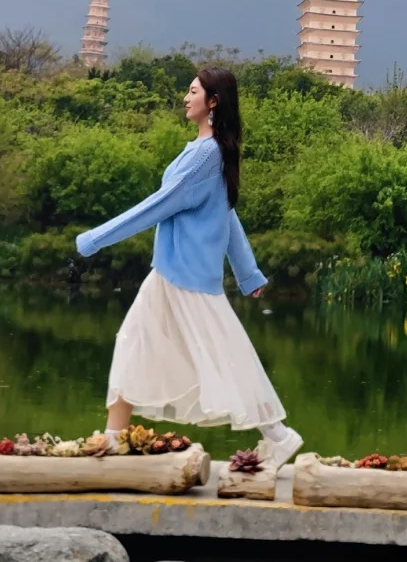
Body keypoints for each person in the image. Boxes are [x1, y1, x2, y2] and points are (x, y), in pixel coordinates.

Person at [76, 65, 302, 468]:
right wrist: (248, 273)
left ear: (213, 102)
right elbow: (227, 214)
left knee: (228, 355)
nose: (186, 96)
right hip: (173, 270)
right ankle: (112, 437)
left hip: (187, 275)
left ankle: (280, 435)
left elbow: (159, 206)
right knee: (134, 341)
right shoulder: (207, 151)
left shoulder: (205, 155)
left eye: (193, 91)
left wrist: (96, 238)